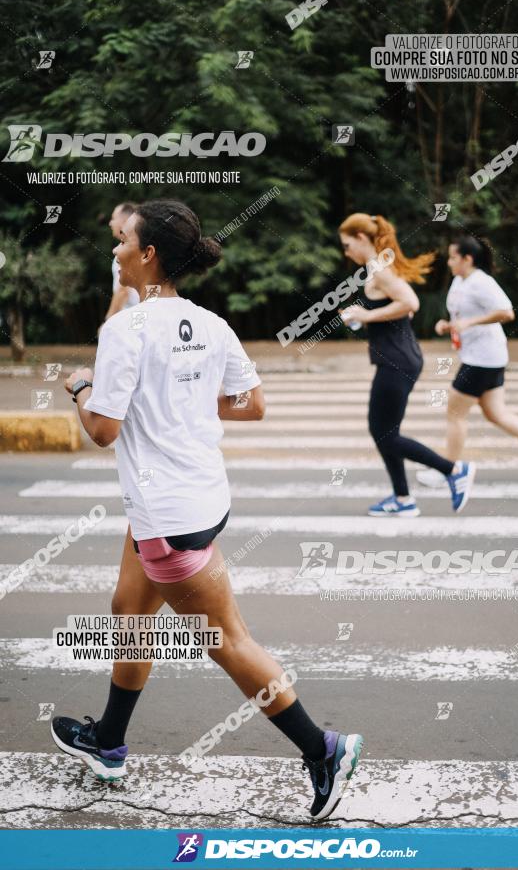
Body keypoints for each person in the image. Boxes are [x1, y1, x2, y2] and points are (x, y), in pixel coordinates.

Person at [51, 199, 363, 822]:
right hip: (184, 501)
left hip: (167, 518)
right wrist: (180, 405)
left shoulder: (123, 332)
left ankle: (322, 749)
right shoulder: (211, 323)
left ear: (147, 256)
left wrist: (81, 388)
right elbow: (251, 405)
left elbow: (105, 431)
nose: (114, 252)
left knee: (227, 641)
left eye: (122, 244)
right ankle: (109, 742)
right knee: (129, 610)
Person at [338, 213, 475, 516]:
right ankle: (403, 499)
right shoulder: (380, 269)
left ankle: (453, 470)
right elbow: (402, 309)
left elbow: (410, 303)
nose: (346, 252)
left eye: (348, 245)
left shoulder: (380, 270)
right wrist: (367, 314)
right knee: (385, 431)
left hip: (397, 362)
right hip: (401, 359)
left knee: (384, 432)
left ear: (362, 239)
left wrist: (365, 316)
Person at [417, 234, 518, 488]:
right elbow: (462, 314)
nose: (449, 262)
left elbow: (507, 312)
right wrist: (448, 325)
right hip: (484, 356)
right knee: (496, 413)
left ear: (467, 259)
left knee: (455, 413)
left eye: (452, 257)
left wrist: (469, 323)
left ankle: (448, 470)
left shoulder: (482, 282)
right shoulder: (461, 280)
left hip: (481, 359)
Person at [103, 202, 140, 321]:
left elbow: (123, 291)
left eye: (113, 218)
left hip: (131, 319)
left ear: (125, 221)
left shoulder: (124, 253)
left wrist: (108, 320)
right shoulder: (140, 249)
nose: (110, 223)